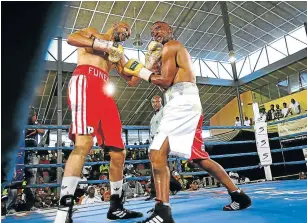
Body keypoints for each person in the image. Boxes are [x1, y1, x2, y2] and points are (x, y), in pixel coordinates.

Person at [123, 21, 251, 222]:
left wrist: (141, 70)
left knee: (156, 152)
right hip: (184, 102)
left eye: (158, 28)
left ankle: (162, 211)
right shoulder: (166, 54)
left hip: (182, 104)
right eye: (152, 31)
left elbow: (164, 81)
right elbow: (141, 82)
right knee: (199, 158)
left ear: (169, 31)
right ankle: (238, 195)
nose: (155, 32)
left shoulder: (172, 46)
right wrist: (121, 60)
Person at [54, 22, 143, 223]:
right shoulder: (94, 32)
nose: (127, 33)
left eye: (129, 33)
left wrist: (149, 65)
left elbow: (130, 80)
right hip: (86, 80)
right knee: (83, 144)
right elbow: (72, 39)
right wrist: (105, 45)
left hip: (104, 90)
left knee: (119, 152)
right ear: (116, 25)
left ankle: (116, 205)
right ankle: (63, 212)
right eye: (125, 28)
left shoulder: (118, 53)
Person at [145, 95, 182, 201]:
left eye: (157, 101)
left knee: (158, 166)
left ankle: (159, 191)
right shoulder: (153, 117)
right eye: (153, 102)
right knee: (156, 166)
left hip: (161, 139)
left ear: (161, 102)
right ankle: (171, 187)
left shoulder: (164, 111)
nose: (155, 103)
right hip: (154, 141)